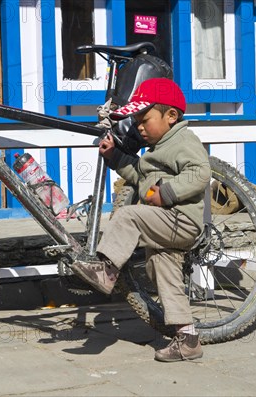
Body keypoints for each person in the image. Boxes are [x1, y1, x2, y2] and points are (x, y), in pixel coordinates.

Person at [70, 78, 211, 362]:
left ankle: (107, 270)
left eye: (144, 119)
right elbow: (139, 176)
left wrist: (168, 192)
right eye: (136, 121)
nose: (139, 127)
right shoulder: (156, 150)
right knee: (162, 268)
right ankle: (188, 338)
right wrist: (115, 158)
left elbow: (201, 172)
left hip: (180, 218)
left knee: (128, 215)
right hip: (167, 224)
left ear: (171, 116)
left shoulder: (183, 141)